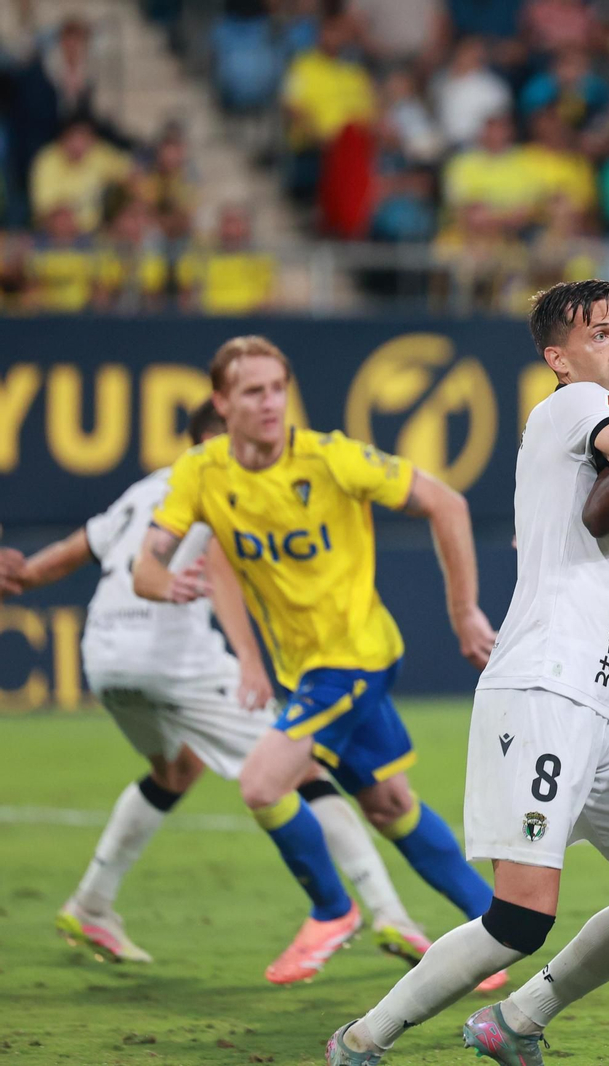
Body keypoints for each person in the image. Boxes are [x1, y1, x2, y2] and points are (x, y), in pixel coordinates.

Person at [328, 279, 609, 1064]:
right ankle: (363, 1039)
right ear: (558, 358)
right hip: (545, 689)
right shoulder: (573, 407)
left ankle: (517, 1020)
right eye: (600, 333)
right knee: (520, 917)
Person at [1, 401, 426, 968]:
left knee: (176, 768)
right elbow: (227, 576)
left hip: (103, 657)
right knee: (301, 767)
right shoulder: (227, 488)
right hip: (172, 659)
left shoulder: (147, 491)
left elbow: (72, 552)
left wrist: (21, 573)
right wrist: (250, 662)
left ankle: (91, 903)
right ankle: (389, 912)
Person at [131, 336, 498, 986]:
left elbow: (448, 501)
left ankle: (332, 910)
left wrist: (464, 611)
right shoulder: (202, 472)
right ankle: (497, 927)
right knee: (388, 803)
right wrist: (165, 583)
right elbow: (147, 564)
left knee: (261, 783)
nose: (271, 404)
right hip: (310, 671)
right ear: (222, 401)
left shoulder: (332, 458)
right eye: (253, 392)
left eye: (278, 388)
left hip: (353, 660)